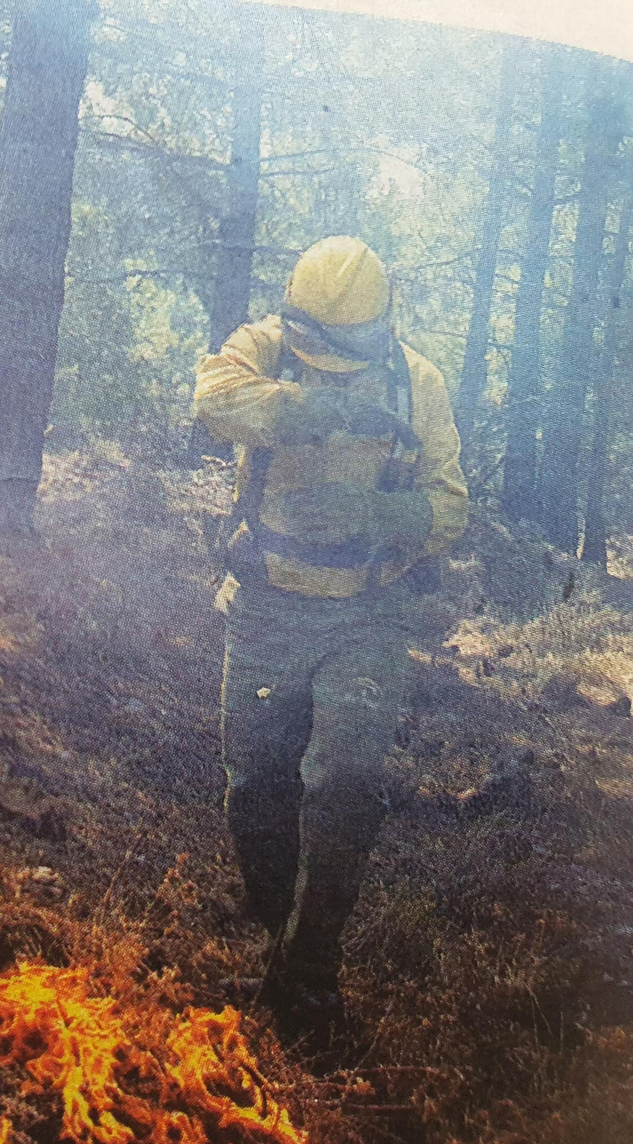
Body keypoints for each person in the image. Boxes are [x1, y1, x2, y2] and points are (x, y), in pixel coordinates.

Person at [193, 236, 467, 1028]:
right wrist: (312, 408)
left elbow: (451, 503)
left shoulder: (419, 384)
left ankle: (311, 978)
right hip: (268, 603)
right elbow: (211, 399)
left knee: (346, 781)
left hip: (368, 613)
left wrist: (379, 513)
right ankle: (285, 952)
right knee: (255, 788)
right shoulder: (264, 349)